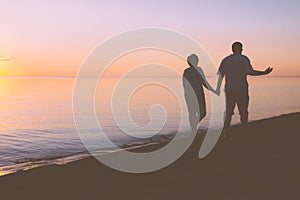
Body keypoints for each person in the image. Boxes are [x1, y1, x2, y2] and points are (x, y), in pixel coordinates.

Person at [216, 42, 273, 133]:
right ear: (241, 49)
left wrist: (218, 88)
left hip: (229, 90)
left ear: (232, 49)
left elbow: (220, 75)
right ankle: (244, 131)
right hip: (241, 90)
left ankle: (225, 131)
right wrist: (263, 73)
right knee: (243, 111)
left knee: (228, 112)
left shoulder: (226, 60)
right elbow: (250, 72)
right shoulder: (243, 59)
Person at [183, 54, 217, 133]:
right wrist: (214, 90)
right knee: (202, 112)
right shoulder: (198, 69)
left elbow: (184, 84)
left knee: (192, 113)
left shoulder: (186, 71)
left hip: (188, 94)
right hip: (197, 93)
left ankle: (193, 130)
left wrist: (186, 93)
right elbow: (204, 83)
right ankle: (194, 127)